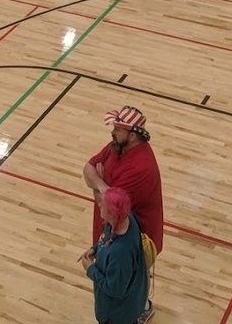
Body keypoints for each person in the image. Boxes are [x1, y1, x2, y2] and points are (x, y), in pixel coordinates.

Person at [83, 106, 163, 324]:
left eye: (118, 129)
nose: (112, 132)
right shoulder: (118, 146)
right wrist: (102, 186)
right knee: (131, 278)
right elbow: (88, 169)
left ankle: (140, 309)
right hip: (113, 223)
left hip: (139, 235)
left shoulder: (140, 168)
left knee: (130, 277)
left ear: (133, 135)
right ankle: (140, 307)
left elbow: (106, 201)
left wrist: (98, 187)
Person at [78, 187, 149, 324]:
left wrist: (90, 269)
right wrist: (96, 249)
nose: (99, 205)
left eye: (102, 204)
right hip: (130, 303)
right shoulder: (126, 219)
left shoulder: (119, 254)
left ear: (111, 213)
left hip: (118, 315)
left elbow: (115, 290)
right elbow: (107, 238)